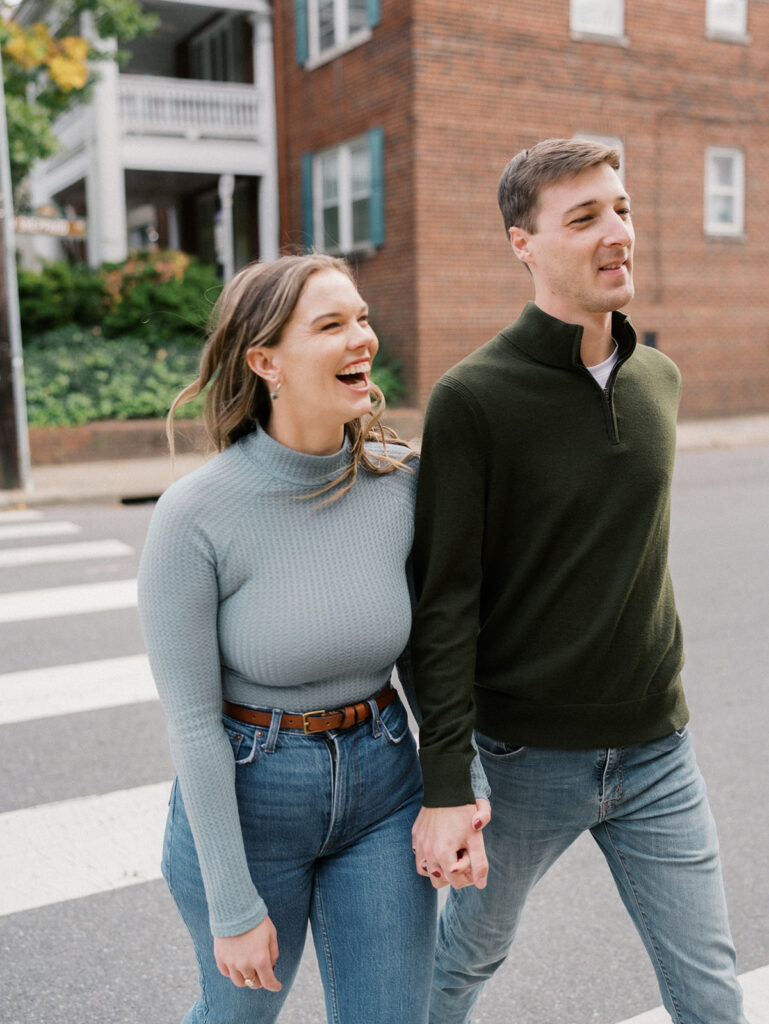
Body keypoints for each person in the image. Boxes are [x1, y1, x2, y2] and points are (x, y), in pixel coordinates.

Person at [410, 138, 749, 1023]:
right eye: (584, 217)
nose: (617, 233)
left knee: (711, 992)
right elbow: (443, 604)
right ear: (522, 242)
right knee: (463, 963)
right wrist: (447, 779)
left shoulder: (659, 381)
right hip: (525, 761)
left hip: (656, 752)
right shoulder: (472, 399)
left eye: (623, 209)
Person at [137, 253, 490, 1024]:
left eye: (361, 318)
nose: (361, 337)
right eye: (331, 325)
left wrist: (459, 790)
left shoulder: (399, 482)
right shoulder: (194, 515)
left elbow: (430, 661)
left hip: (384, 785)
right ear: (265, 360)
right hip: (252, 793)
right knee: (236, 1017)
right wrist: (232, 905)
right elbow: (193, 725)